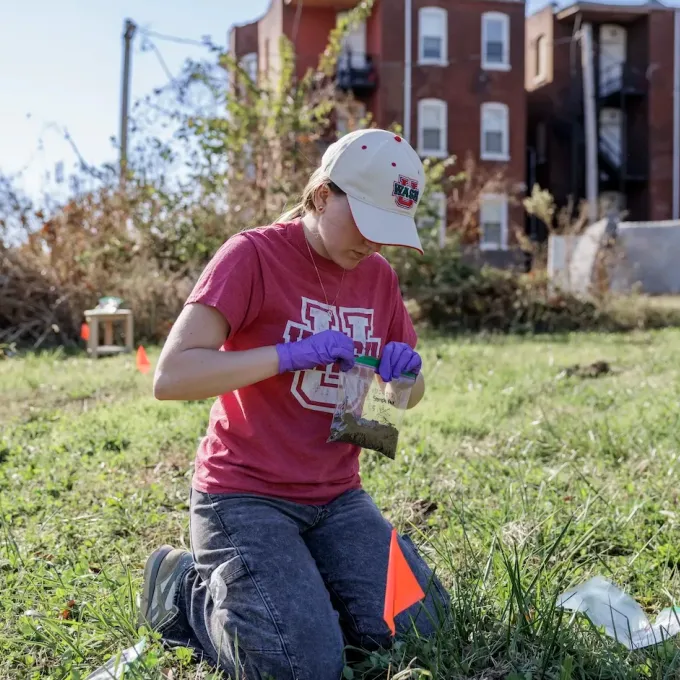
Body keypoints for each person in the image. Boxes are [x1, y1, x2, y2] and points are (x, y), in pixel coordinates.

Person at [138, 128, 450, 680]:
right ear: (324, 195)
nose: (375, 245)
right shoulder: (252, 256)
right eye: (367, 224)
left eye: (388, 231)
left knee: (427, 630)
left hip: (338, 497)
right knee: (299, 665)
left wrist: (407, 379)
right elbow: (171, 375)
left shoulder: (378, 277)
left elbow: (404, 396)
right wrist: (285, 355)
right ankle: (185, 591)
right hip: (243, 498)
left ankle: (304, 588)